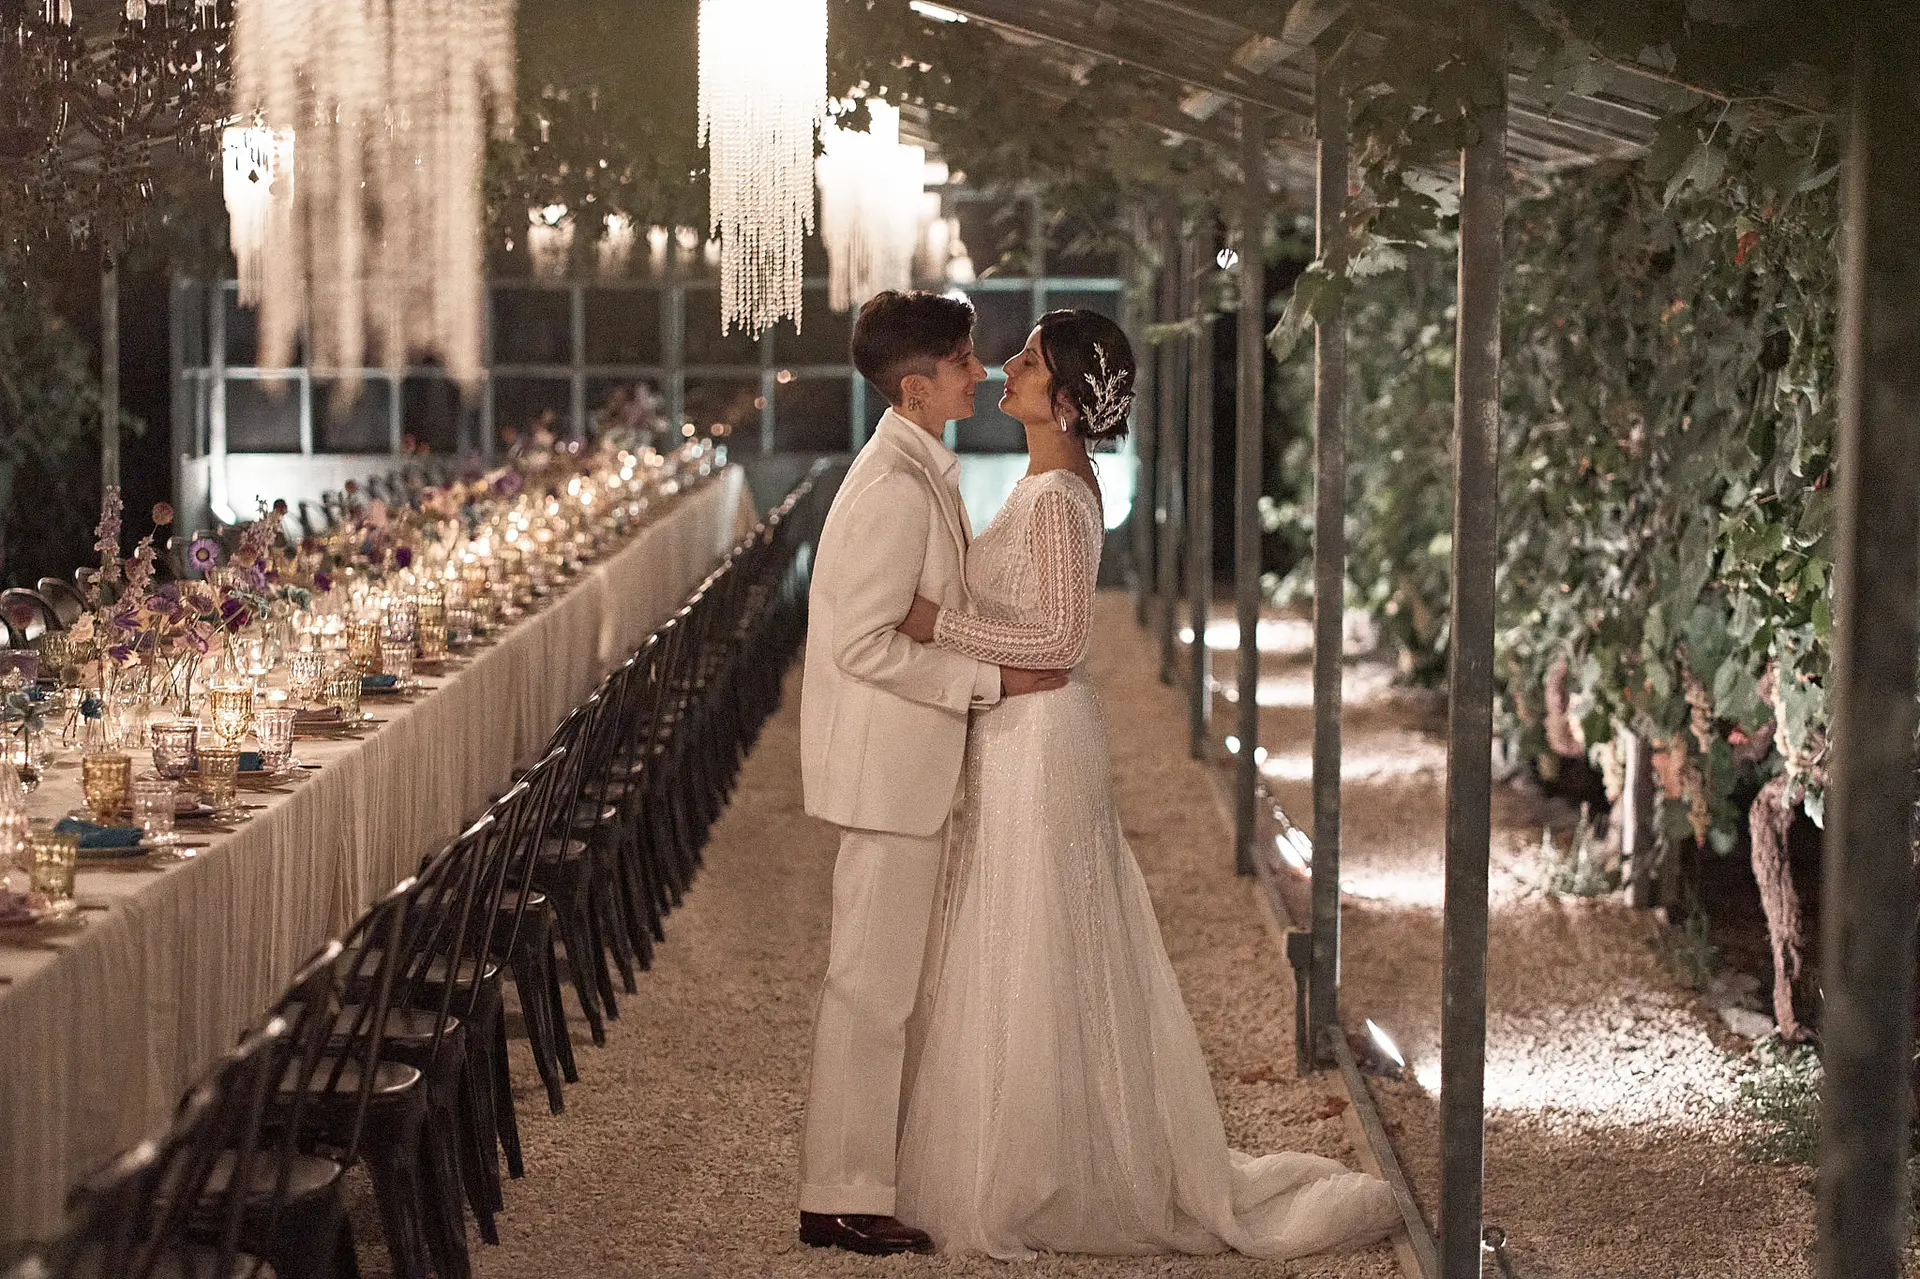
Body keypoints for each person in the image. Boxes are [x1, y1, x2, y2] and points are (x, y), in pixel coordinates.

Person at [889, 310, 1402, 1260]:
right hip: (1023, 733)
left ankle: (1055, 1167)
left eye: (1030, 362)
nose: (1008, 364)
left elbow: (1059, 642)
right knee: (1022, 928)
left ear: (1069, 402)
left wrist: (931, 623)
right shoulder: (1050, 483)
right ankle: (1037, 1149)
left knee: (1042, 930)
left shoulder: (1056, 499)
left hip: (1044, 741)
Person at [795, 289, 1069, 1257]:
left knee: (888, 987)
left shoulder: (919, 468)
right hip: (885, 773)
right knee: (870, 989)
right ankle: (838, 1194)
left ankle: (861, 1178)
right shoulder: (893, 488)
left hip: (905, 767)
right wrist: (991, 679)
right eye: (963, 360)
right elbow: (861, 644)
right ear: (917, 388)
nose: (983, 370)